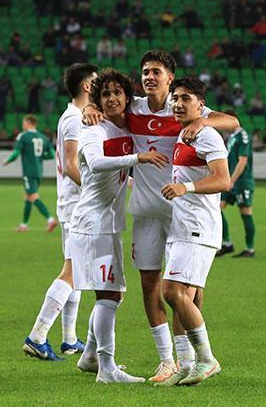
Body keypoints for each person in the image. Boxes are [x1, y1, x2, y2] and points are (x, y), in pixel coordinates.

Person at [81, 50, 239, 382]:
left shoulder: (183, 107)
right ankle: (167, 360)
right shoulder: (134, 108)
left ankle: (188, 358)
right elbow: (109, 107)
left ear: (170, 77)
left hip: (184, 212)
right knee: (151, 283)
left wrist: (202, 120)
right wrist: (91, 107)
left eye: (156, 72)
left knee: (187, 288)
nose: (150, 77)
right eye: (145, 72)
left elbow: (233, 122)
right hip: (147, 211)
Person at [69, 70, 168, 384]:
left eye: (117, 93)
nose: (112, 99)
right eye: (105, 94)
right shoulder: (93, 129)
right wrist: (139, 158)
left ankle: (89, 357)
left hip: (108, 224)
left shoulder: (125, 125)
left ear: (127, 97)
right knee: (109, 295)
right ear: (98, 100)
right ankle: (107, 369)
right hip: (92, 224)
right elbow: (96, 163)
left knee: (113, 293)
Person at [22, 63, 97, 362]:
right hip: (78, 205)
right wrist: (95, 191)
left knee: (76, 271)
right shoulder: (75, 120)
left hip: (73, 204)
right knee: (72, 271)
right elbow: (70, 165)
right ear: (87, 86)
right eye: (96, 81)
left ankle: (69, 339)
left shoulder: (74, 116)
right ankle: (37, 336)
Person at [158, 77, 230, 386]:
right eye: (175, 98)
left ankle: (207, 358)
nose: (177, 103)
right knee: (182, 296)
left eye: (185, 98)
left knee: (171, 291)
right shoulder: (184, 132)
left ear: (201, 105)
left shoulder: (207, 135)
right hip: (182, 226)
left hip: (198, 227)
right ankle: (187, 365)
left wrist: (184, 187)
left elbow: (223, 180)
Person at [4, 115, 57, 232]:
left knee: (33, 196)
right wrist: (39, 156)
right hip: (38, 171)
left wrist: (7, 161)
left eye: (24, 123)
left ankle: (50, 220)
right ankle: (24, 225)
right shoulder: (43, 137)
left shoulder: (23, 136)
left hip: (29, 171)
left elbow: (16, 154)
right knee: (28, 197)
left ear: (28, 123)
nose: (23, 125)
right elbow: (52, 155)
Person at [216, 110, 255, 258]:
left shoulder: (243, 136)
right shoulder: (232, 137)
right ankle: (227, 243)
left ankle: (250, 249)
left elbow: (243, 161)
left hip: (242, 181)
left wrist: (232, 180)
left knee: (245, 212)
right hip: (229, 181)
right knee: (216, 208)